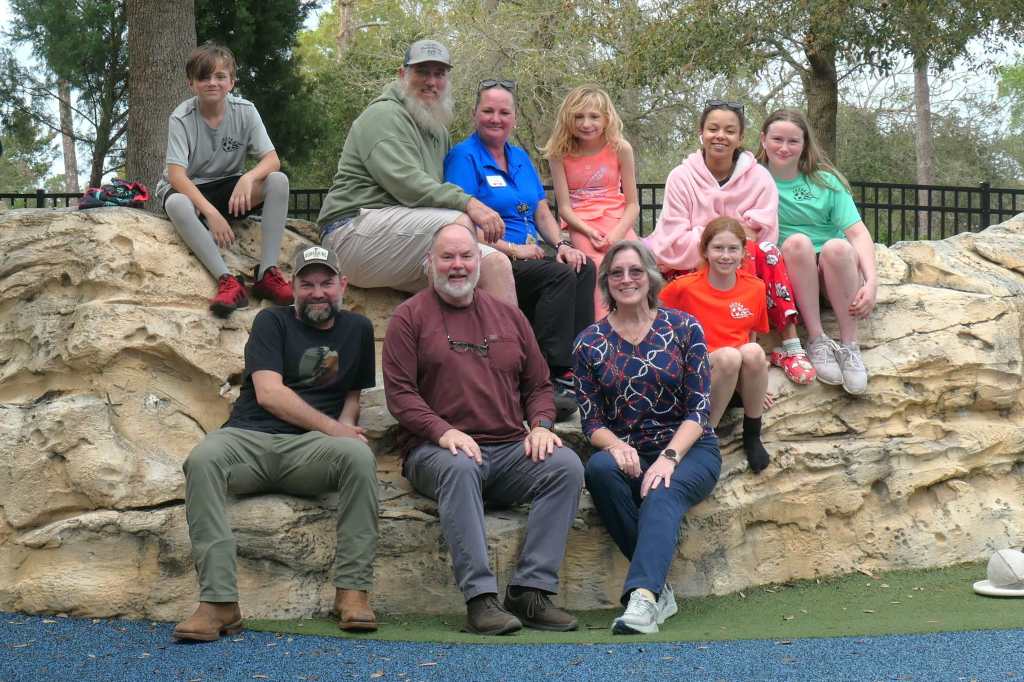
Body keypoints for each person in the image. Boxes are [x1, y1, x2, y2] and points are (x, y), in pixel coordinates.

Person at [382, 223, 584, 635]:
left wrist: (541, 426)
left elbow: (538, 386)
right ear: (429, 264)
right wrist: (443, 432)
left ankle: (530, 592)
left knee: (565, 466)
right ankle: (480, 599)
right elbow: (401, 396)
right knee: (460, 467)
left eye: (466, 256)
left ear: (479, 262)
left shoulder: (509, 316)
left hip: (509, 451)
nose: (457, 265)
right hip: (436, 452)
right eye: (447, 257)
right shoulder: (408, 318)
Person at [174, 244, 379, 641]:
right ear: (293, 287)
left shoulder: (358, 329)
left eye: (326, 283)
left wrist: (346, 427)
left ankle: (352, 592)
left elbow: (352, 396)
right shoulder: (271, 321)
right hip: (249, 438)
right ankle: (219, 602)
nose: (317, 292)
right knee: (202, 459)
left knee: (358, 456)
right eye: (307, 284)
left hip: (311, 451)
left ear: (343, 285)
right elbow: (269, 394)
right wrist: (334, 429)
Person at [574, 240, 720, 635]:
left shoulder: (684, 327)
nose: (627, 279)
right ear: (606, 282)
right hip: (629, 451)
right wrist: (617, 446)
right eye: (616, 273)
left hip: (689, 448)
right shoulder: (589, 342)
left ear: (651, 276)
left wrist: (668, 457)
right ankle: (660, 589)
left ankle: (642, 598)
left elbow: (699, 410)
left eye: (635, 271)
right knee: (599, 469)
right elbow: (592, 422)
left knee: (660, 489)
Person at [316, 40, 516, 303]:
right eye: (422, 71)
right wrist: (470, 203)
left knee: (495, 265)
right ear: (402, 75)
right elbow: (407, 184)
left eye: (439, 73)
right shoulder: (383, 115)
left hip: (403, 237)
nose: (431, 81)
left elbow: (435, 194)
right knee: (455, 226)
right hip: (349, 232)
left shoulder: (437, 129)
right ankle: (445, 328)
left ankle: (502, 333)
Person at [444, 79, 595, 419]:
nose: (496, 119)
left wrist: (563, 244)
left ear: (513, 117)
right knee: (557, 276)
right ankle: (548, 376)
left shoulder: (520, 157)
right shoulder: (463, 157)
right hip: (493, 254)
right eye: (488, 111)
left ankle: (580, 366)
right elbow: (460, 221)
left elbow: (541, 211)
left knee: (582, 267)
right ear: (474, 114)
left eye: (504, 112)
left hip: (533, 254)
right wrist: (513, 249)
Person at [644, 100, 815, 386]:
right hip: (694, 265)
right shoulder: (681, 177)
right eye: (713, 129)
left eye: (729, 130)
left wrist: (710, 236)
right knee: (728, 252)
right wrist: (725, 236)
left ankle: (790, 346)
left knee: (767, 252)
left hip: (744, 264)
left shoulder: (759, 177)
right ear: (701, 132)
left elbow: (764, 233)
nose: (720, 136)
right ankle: (701, 354)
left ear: (740, 137)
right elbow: (672, 240)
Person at [155, 42, 293, 318]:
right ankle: (227, 281)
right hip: (191, 190)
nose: (212, 83)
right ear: (191, 83)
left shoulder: (245, 111)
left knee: (278, 180)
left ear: (232, 82)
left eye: (220, 76)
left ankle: (267, 273)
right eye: (203, 77)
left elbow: (272, 160)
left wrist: (249, 178)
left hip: (230, 187)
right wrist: (211, 213)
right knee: (176, 203)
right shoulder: (181, 117)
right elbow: (177, 176)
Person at [757, 109, 876, 394]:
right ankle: (817, 339)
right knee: (797, 243)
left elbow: (857, 233)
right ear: (763, 140)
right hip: (792, 275)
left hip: (834, 273)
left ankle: (849, 345)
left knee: (837, 247)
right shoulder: (754, 180)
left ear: (804, 144)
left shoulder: (825, 181)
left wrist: (872, 282)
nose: (784, 148)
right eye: (777, 139)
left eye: (793, 141)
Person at [660, 217, 771, 473]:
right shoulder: (684, 288)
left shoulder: (755, 288)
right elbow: (656, 324)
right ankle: (703, 435)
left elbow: (752, 336)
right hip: (700, 377)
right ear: (705, 251)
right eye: (718, 248)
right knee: (729, 357)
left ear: (743, 253)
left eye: (733, 249)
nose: (725, 255)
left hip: (736, 376)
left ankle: (752, 434)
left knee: (753, 352)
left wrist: (755, 383)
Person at [544, 85, 640, 315]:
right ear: (568, 118)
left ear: (606, 119)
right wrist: (588, 231)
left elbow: (633, 205)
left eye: (594, 116)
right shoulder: (559, 153)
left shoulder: (621, 148)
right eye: (579, 116)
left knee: (635, 260)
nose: (586, 124)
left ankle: (639, 320)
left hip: (616, 219)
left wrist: (616, 234)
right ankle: (601, 325)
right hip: (581, 222)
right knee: (596, 265)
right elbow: (564, 208)